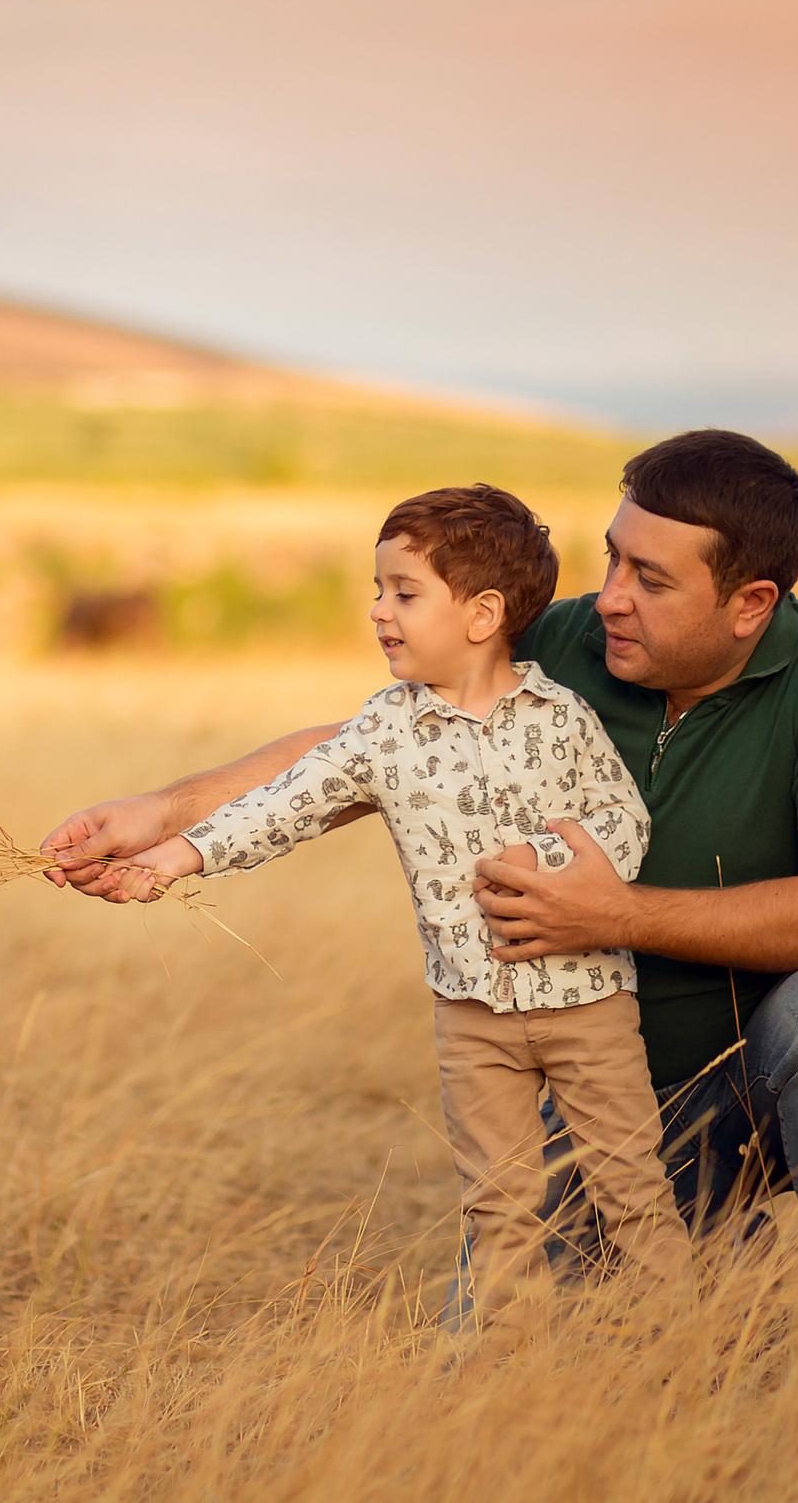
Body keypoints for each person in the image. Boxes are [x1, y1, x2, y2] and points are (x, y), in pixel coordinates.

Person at [44, 430, 798, 1263]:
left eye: (651, 580)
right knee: (522, 1343)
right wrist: (167, 813)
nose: (613, 594)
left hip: (770, 1069)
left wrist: (614, 914)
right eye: (614, 556)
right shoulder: (566, 639)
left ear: (750, 604)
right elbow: (370, 749)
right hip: (604, 1091)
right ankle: (721, 1255)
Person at [119, 484, 694, 1329]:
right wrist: (178, 852)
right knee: (498, 1206)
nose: (379, 611)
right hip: (474, 1018)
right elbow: (285, 802)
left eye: (404, 592)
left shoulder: (561, 717)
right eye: (378, 590)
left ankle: (680, 1347)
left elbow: (622, 817)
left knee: (632, 1185)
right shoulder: (384, 731)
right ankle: (507, 1372)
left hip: (589, 1005)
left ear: (483, 613)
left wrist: (549, 860)